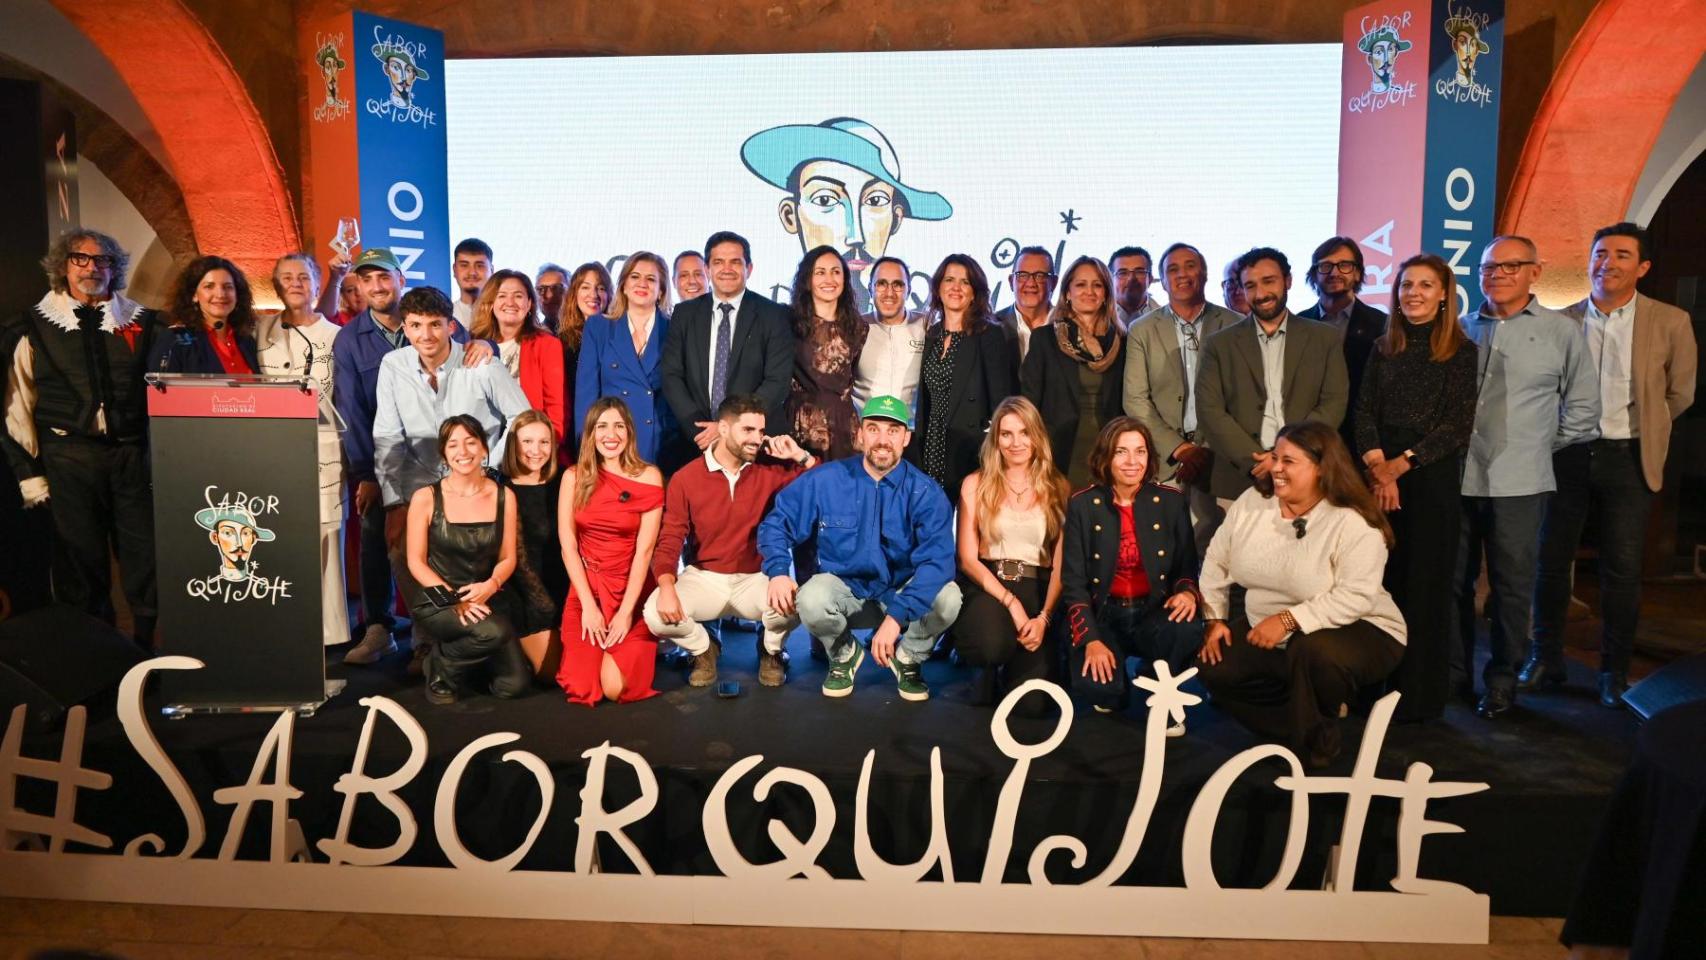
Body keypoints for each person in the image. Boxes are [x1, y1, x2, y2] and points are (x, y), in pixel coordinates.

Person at [1525, 223, 1697, 707]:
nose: (1608, 262)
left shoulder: (1671, 320)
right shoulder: (1563, 319)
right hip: (1567, 454)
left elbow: (1680, 393)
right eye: (1601, 253)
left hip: (1629, 455)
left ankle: (1613, 673)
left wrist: (1645, 423)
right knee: (1550, 561)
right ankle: (1544, 659)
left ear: (1642, 267)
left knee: (1621, 569)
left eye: (1622, 254)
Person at [1197, 421, 1407, 768]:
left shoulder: (1351, 521)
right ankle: (1295, 728)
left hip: (1362, 627)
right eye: (1275, 457)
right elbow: (1217, 559)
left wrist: (1288, 619)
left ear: (1321, 467)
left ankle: (1313, 751)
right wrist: (1215, 619)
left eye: (1289, 461)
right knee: (1214, 664)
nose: (1275, 468)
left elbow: (1357, 596)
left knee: (1310, 650)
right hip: (1272, 629)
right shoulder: (1253, 503)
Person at [1455, 236, 1599, 720]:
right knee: (1453, 583)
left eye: (1510, 266)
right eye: (1488, 267)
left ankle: (1502, 681)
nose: (1497, 274)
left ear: (1535, 272)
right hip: (1457, 477)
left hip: (1520, 482)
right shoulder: (1461, 329)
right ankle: (1454, 675)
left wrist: (1535, 445)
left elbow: (1584, 409)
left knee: (1511, 586)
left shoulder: (1562, 332)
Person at [1, 229, 162, 646]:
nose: (92, 268)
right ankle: (93, 653)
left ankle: (146, 650)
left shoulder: (144, 322)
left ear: (114, 268)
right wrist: (29, 473)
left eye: (102, 260)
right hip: (68, 457)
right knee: (80, 561)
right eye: (80, 259)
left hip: (130, 456)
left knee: (145, 556)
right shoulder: (33, 325)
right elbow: (17, 404)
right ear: (63, 266)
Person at [759, 396, 962, 701]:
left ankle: (908, 657)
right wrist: (777, 571)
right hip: (847, 594)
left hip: (900, 595)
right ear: (860, 434)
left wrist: (895, 619)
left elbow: (938, 561)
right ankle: (844, 655)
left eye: (893, 431)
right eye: (874, 429)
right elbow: (778, 522)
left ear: (906, 438)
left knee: (948, 597)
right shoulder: (827, 479)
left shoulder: (925, 492)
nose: (883, 440)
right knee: (810, 598)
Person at [333, 248, 480, 664]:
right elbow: (352, 411)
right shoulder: (350, 339)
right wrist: (367, 474)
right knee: (380, 536)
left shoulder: (428, 317)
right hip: (385, 462)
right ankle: (379, 627)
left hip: (443, 464)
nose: (377, 287)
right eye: (367, 280)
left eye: (384, 277)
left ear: (400, 279)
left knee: (437, 548)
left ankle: (427, 637)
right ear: (359, 286)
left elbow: (467, 353)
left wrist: (484, 344)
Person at [1353, 254, 1478, 722]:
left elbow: (1456, 426)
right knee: (1375, 584)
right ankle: (1368, 687)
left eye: (1425, 285)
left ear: (1444, 294)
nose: (1414, 293)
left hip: (1428, 479)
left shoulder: (1461, 351)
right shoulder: (1383, 347)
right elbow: (1363, 411)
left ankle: (1416, 698)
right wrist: (1377, 467)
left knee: (1424, 588)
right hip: (1376, 475)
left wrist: (1399, 466)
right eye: (1407, 285)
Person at [374, 287, 531, 637]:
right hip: (419, 484)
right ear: (405, 328)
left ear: (451, 326)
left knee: (474, 556)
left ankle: (476, 629)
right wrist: (394, 502)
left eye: (435, 324)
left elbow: (522, 417)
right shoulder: (393, 366)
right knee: (401, 553)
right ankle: (429, 638)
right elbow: (387, 437)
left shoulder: (481, 364)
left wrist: (490, 466)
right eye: (416, 325)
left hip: (477, 483)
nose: (426, 335)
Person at [643, 394, 814, 687]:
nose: (757, 439)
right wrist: (666, 585)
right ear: (723, 429)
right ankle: (703, 649)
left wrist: (801, 455)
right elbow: (670, 538)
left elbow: (823, 486)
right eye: (748, 430)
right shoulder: (686, 478)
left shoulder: (770, 470)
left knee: (799, 602)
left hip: (755, 578)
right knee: (654, 613)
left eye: (761, 431)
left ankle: (771, 650)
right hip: (705, 578)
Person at [1060, 417, 1203, 728]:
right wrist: (1091, 639)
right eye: (1121, 452)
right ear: (1105, 456)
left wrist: (1187, 593)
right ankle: (1116, 685)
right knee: (1100, 690)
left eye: (1140, 452)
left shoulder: (1171, 502)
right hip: (1104, 615)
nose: (1132, 462)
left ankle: (1155, 678)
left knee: (1186, 627)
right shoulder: (1083, 505)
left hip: (1153, 611)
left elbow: (1186, 566)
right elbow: (1073, 583)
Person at [1195, 247, 1349, 506]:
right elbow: (1210, 411)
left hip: (1308, 473)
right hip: (1240, 478)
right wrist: (1256, 461)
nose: (1261, 293)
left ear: (1288, 281)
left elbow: (1334, 402)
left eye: (1269, 281)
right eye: (1250, 285)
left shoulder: (1325, 338)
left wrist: (1288, 456)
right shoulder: (1219, 344)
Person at [951, 397, 1070, 706]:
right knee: (991, 646)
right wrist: (1012, 603)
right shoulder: (975, 484)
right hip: (989, 585)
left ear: (1037, 435)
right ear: (996, 439)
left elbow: (1061, 564)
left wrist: (1044, 618)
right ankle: (986, 665)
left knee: (1034, 706)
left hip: (1038, 588)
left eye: (1024, 432)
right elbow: (967, 559)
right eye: (1006, 434)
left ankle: (1012, 669)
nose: (1016, 443)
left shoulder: (1059, 487)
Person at [1122, 242, 1241, 554]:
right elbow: (1135, 400)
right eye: (1172, 269)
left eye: (1190, 266)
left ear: (1204, 273)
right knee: (1162, 553)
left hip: (1219, 459)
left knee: (1219, 555)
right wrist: (1180, 448)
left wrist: (1204, 449)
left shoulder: (1235, 325)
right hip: (1165, 460)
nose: (1182, 274)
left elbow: (1239, 398)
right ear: (1162, 281)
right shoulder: (1142, 330)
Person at [404, 415, 530, 705]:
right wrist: (455, 601)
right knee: (493, 632)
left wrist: (492, 584)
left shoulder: (504, 496)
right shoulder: (425, 498)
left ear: (484, 448)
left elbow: (508, 557)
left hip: (486, 597)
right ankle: (440, 666)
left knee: (513, 686)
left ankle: (467, 659)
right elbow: (415, 562)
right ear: (444, 454)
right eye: (453, 445)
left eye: (471, 442)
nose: (463, 451)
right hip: (439, 601)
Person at [256, 252, 347, 646]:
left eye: (303, 277)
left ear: (316, 284)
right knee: (282, 535)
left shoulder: (337, 335)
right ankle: (289, 623)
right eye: (287, 277)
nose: (295, 283)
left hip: (327, 447)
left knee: (327, 534)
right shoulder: (259, 330)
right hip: (276, 451)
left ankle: (331, 632)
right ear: (276, 285)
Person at [556, 397, 666, 705]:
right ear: (590, 433)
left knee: (616, 688)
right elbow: (568, 545)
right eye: (602, 426)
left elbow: (645, 551)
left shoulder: (649, 476)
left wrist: (626, 612)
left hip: (632, 589)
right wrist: (588, 607)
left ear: (629, 432)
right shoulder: (573, 477)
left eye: (619, 426)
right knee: (582, 687)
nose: (611, 434)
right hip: (587, 589)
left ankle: (635, 647)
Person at [661, 231, 795, 455]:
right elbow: (671, 375)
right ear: (707, 269)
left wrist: (729, 427)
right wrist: (699, 428)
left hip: (755, 442)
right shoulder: (684, 314)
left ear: (749, 269)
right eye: (718, 262)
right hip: (696, 440)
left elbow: (777, 382)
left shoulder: (773, 314)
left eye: (735, 262)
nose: (726, 269)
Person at [911, 254, 1016, 494]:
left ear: (974, 292)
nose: (956, 287)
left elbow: (1001, 402)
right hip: (932, 445)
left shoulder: (990, 334)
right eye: (949, 280)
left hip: (971, 449)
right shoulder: (933, 334)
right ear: (938, 288)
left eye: (965, 282)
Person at [1022, 256, 1124, 487]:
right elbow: (1029, 402)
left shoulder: (1122, 342)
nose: (1089, 291)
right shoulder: (1045, 339)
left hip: (1109, 450)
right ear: (1067, 293)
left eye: (1097, 285)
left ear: (1106, 294)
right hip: (1059, 450)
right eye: (1080, 284)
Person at [575, 251, 682, 470]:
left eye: (651, 279)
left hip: (662, 445)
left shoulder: (676, 329)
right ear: (623, 285)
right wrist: (584, 450)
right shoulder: (599, 327)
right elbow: (586, 395)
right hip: (611, 444)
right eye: (635, 276)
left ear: (661, 290)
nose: (642, 283)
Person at [1298, 237, 1388, 451]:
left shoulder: (1381, 324)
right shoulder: (1298, 323)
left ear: (1357, 273)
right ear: (1314, 274)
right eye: (1325, 266)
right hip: (1307, 437)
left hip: (1362, 443)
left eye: (1344, 265)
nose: (1334, 272)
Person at [499, 409, 567, 678]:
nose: (536, 450)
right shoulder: (503, 489)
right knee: (552, 675)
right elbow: (518, 560)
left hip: (569, 585)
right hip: (528, 591)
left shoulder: (566, 479)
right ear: (513, 445)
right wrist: (545, 604)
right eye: (527, 441)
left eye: (544, 442)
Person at [785, 245, 867, 460]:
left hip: (844, 425)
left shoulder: (858, 328)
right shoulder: (788, 321)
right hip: (800, 423)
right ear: (807, 279)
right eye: (820, 272)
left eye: (836, 272)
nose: (829, 279)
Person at [471, 269, 567, 443]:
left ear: (529, 304)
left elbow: (555, 407)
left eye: (518, 296)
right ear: (491, 303)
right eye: (502, 296)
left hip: (529, 444)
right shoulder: (474, 343)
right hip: (483, 443)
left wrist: (548, 446)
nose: (510, 302)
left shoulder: (547, 344)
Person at [147, 256, 259, 374]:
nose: (220, 294)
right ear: (194, 295)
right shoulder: (176, 338)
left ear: (237, 294)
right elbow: (159, 384)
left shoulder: (247, 340)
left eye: (228, 287)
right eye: (209, 286)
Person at [851, 255, 924, 409]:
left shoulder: (926, 327)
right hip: (862, 422)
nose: (889, 293)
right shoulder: (855, 328)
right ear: (870, 289)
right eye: (881, 284)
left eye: (897, 285)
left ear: (908, 291)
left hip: (910, 423)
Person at [556, 261, 613, 454]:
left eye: (601, 288)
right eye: (585, 287)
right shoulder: (561, 342)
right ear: (574, 293)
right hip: (574, 432)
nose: (593, 295)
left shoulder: (619, 336)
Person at [995, 246, 1058, 367]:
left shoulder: (1070, 326)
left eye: (1040, 275)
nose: (1031, 283)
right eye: (1022, 275)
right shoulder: (992, 326)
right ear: (1011, 281)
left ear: (1054, 283)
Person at [1110, 245, 1160, 329]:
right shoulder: (1095, 315)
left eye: (1139, 272)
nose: (1131, 278)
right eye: (1123, 273)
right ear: (1110, 280)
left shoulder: (1167, 319)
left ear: (1150, 279)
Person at [451, 238, 493, 328]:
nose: (472, 272)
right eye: (464, 265)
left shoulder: (504, 314)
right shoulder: (444, 316)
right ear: (454, 270)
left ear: (492, 270)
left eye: (480, 266)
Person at [535, 263, 568, 334]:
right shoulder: (533, 336)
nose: (548, 295)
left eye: (557, 288)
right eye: (541, 289)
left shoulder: (587, 329)